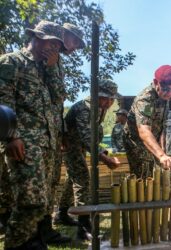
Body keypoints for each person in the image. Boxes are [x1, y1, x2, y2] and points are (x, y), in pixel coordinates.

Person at [0, 20, 63, 249]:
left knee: (42, 202)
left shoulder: (44, 69)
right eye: (51, 43)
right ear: (36, 37)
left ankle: (33, 242)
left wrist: (52, 67)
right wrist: (11, 136)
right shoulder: (11, 61)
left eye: (57, 46)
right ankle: (16, 245)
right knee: (30, 202)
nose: (53, 49)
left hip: (44, 144)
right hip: (23, 142)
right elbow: (2, 101)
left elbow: (58, 98)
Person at [42, 22, 86, 244]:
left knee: (51, 183)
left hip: (52, 134)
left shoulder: (56, 61)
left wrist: (59, 134)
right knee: (40, 185)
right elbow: (56, 95)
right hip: (37, 135)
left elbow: (57, 100)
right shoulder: (47, 59)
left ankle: (47, 228)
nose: (76, 47)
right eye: (75, 41)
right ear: (63, 35)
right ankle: (38, 232)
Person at [64, 79, 121, 240]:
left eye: (112, 99)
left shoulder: (100, 107)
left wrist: (103, 152)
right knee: (82, 178)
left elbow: (94, 134)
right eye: (106, 98)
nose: (109, 103)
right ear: (96, 95)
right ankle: (83, 227)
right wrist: (104, 158)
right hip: (69, 145)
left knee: (72, 179)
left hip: (80, 145)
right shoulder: (84, 108)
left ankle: (61, 214)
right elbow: (87, 137)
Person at [123, 65, 171, 179]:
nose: (169, 94)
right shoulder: (145, 99)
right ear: (156, 82)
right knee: (145, 175)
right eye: (165, 89)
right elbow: (143, 131)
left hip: (152, 139)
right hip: (136, 141)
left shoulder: (165, 98)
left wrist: (163, 150)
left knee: (161, 173)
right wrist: (161, 155)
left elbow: (161, 127)